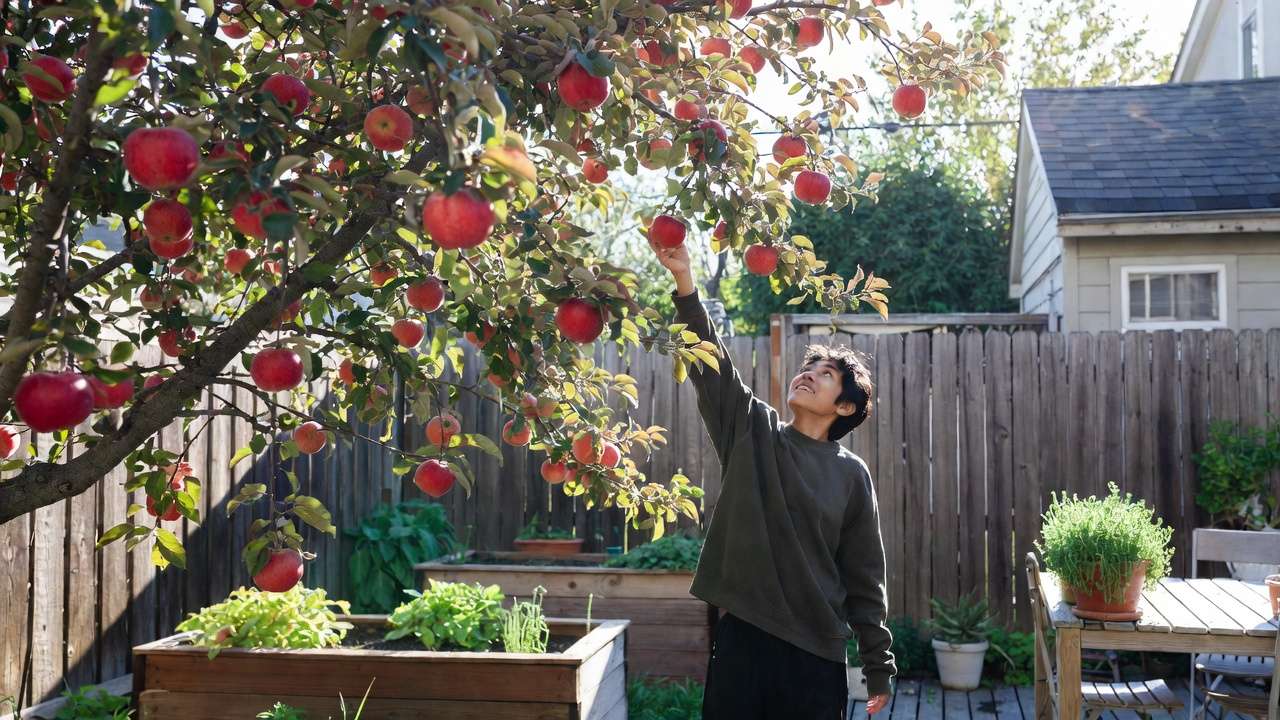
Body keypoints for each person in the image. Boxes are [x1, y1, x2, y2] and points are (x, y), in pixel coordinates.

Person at [654, 241, 895, 719]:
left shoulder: (851, 474)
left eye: (826, 374)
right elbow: (713, 367)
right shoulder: (753, 432)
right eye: (808, 368)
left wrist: (878, 665)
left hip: (816, 655)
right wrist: (684, 282)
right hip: (743, 641)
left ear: (845, 405)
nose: (809, 375)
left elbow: (865, 576)